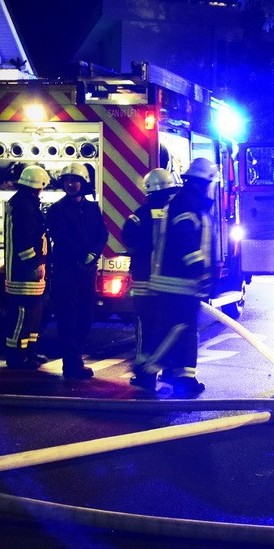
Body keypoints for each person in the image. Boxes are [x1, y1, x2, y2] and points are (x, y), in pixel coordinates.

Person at [147, 158, 218, 398]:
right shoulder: (187, 203)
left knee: (184, 331)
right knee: (177, 329)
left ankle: (185, 379)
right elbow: (186, 237)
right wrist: (198, 268)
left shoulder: (191, 201)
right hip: (179, 280)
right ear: (203, 183)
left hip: (184, 281)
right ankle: (147, 369)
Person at [45, 162, 108, 379]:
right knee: (67, 317)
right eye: (67, 180)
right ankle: (71, 364)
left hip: (87, 271)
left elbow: (102, 234)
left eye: (75, 180)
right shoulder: (56, 210)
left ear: (83, 183)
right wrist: (83, 255)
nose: (71, 184)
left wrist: (93, 254)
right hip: (66, 271)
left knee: (85, 315)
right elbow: (60, 238)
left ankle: (76, 358)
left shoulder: (92, 208)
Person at [121, 167, 179, 392]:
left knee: (146, 328)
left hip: (144, 282)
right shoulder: (174, 214)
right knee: (169, 327)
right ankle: (171, 371)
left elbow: (128, 239)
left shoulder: (138, 216)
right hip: (168, 284)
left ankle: (146, 375)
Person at [3, 164, 51, 369]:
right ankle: (16, 355)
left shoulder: (24, 202)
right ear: (39, 185)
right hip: (25, 271)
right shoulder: (25, 206)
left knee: (34, 311)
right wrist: (36, 261)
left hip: (29, 270)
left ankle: (28, 351)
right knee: (23, 312)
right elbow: (25, 239)